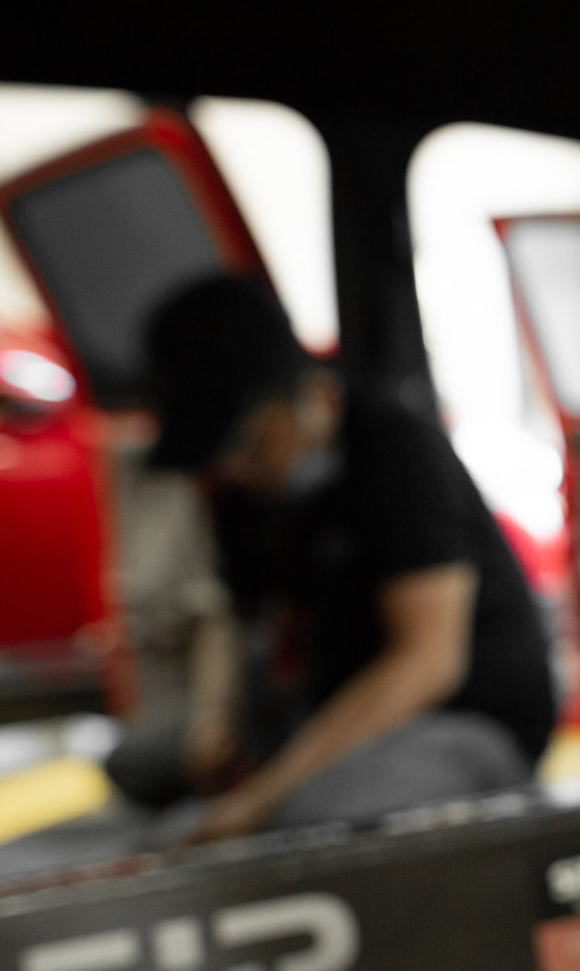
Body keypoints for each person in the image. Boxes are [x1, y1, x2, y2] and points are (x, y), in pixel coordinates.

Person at [108, 274, 556, 842]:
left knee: (309, 820)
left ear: (299, 394)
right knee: (139, 761)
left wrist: (259, 799)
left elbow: (428, 662)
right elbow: (238, 618)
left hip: (458, 720)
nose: (235, 469)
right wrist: (214, 722)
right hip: (325, 703)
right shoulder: (244, 496)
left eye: (248, 444)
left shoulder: (394, 448)